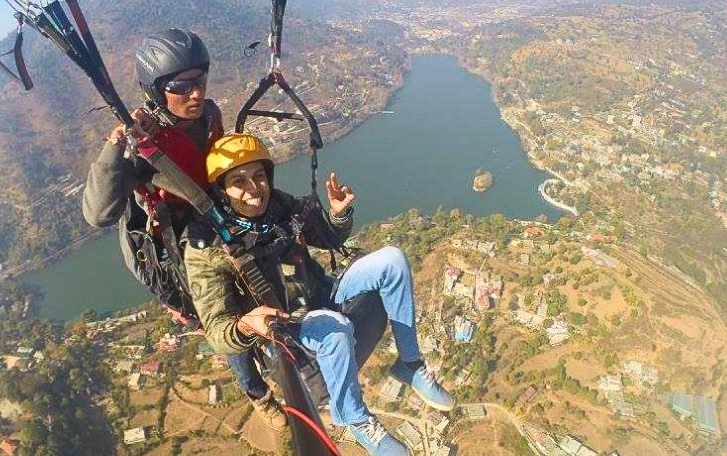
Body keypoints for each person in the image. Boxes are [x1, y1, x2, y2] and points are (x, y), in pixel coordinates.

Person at [185, 134, 455, 456]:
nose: (254, 188)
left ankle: (410, 364)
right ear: (221, 191)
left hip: (323, 294)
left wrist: (338, 214)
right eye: (238, 181)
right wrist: (245, 326)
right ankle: (356, 421)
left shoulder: (279, 208)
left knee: (392, 261)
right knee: (335, 330)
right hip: (288, 327)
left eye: (258, 176)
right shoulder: (207, 248)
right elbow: (216, 332)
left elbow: (327, 238)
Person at [81, 28, 286, 430]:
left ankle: (286, 355)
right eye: (181, 86)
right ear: (156, 90)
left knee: (263, 288)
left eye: (201, 81)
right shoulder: (142, 143)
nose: (195, 93)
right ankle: (257, 394)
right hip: (180, 250)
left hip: (220, 224)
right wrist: (116, 147)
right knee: (221, 321)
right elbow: (99, 213)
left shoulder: (209, 115)